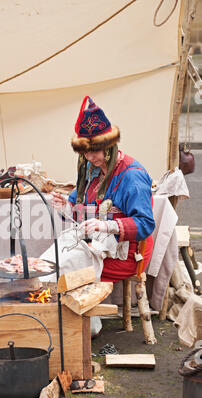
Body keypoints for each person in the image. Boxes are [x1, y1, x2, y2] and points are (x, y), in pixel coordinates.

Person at [51, 95, 155, 283]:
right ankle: (56, 308)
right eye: (85, 152)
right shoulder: (92, 172)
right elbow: (77, 209)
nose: (89, 157)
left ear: (109, 147)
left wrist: (107, 226)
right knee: (53, 259)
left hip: (126, 254)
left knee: (65, 267)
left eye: (95, 151)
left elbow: (145, 224)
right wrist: (65, 206)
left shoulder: (132, 175)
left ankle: (70, 309)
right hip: (95, 244)